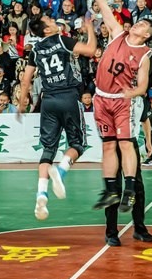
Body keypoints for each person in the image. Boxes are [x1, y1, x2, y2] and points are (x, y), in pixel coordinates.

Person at [75, 0, 152, 213]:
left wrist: (133, 93)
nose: (138, 23)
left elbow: (143, 85)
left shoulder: (144, 54)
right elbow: (103, 5)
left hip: (122, 101)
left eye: (142, 24)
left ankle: (129, 191)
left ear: (146, 35)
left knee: (125, 144)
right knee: (108, 145)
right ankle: (110, 190)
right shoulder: (118, 33)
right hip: (101, 98)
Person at [18, 14, 97, 220]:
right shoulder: (62, 40)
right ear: (46, 30)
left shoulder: (35, 50)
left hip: (48, 101)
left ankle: (41, 194)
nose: (55, 22)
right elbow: (91, 50)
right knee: (77, 144)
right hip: (69, 96)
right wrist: (90, 27)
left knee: (48, 149)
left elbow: (26, 80)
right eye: (51, 22)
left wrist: (21, 103)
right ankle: (60, 172)